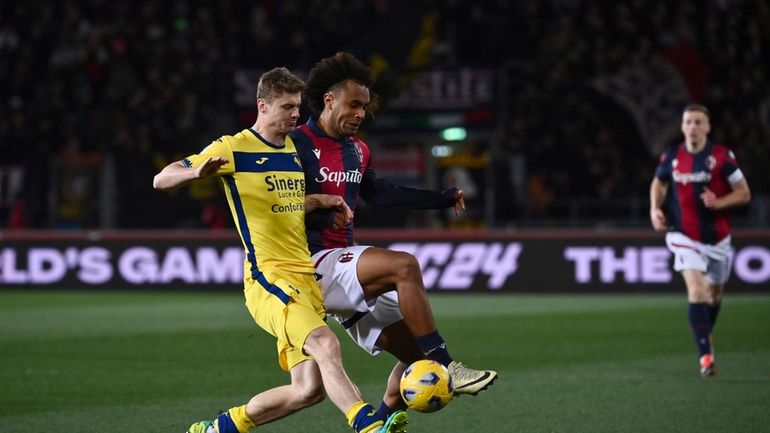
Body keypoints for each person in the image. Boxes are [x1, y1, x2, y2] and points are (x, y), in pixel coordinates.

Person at [153, 67, 408, 433]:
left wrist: (320, 200)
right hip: (268, 277)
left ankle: (219, 428)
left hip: (305, 276)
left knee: (307, 392)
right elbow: (161, 178)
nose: (295, 114)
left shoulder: (290, 148)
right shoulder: (234, 147)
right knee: (325, 342)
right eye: (287, 107)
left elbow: (285, 203)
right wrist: (194, 173)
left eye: (298, 107)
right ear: (263, 105)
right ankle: (367, 423)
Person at [290, 52, 497, 418]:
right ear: (328, 99)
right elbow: (279, 206)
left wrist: (441, 198)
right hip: (308, 264)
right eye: (353, 104)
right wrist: (321, 216)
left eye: (364, 107)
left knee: (419, 362)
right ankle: (450, 365)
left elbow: (382, 193)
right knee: (404, 266)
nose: (359, 114)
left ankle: (383, 421)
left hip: (342, 270)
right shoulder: (295, 145)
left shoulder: (357, 151)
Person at [649, 103, 751, 378]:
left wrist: (719, 202)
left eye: (697, 122)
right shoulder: (671, 157)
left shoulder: (721, 157)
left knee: (714, 295)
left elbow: (743, 193)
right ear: (682, 127)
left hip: (717, 238)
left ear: (707, 127)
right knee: (697, 292)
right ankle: (706, 358)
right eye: (688, 122)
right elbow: (659, 183)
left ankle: (706, 335)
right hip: (683, 235)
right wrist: (654, 209)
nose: (692, 127)